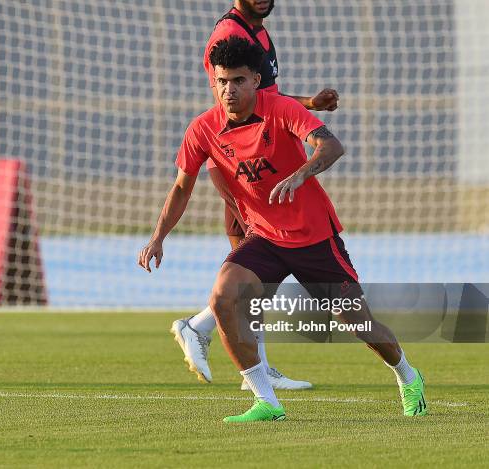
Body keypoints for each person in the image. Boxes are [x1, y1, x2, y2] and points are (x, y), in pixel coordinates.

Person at [139, 37, 427, 422]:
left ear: (256, 80)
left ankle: (408, 376)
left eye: (238, 80)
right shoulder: (203, 129)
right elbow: (181, 187)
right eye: (222, 81)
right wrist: (159, 236)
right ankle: (266, 401)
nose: (229, 89)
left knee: (358, 323)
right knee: (224, 297)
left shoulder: (281, 109)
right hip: (264, 237)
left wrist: (300, 174)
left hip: (314, 237)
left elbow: (331, 146)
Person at [171, 0, 339, 390]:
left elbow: (265, 98)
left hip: (261, 164)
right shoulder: (230, 34)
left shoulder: (258, 31)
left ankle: (253, 366)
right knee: (257, 267)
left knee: (263, 275)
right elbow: (237, 106)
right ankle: (199, 329)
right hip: (240, 166)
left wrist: (309, 104)